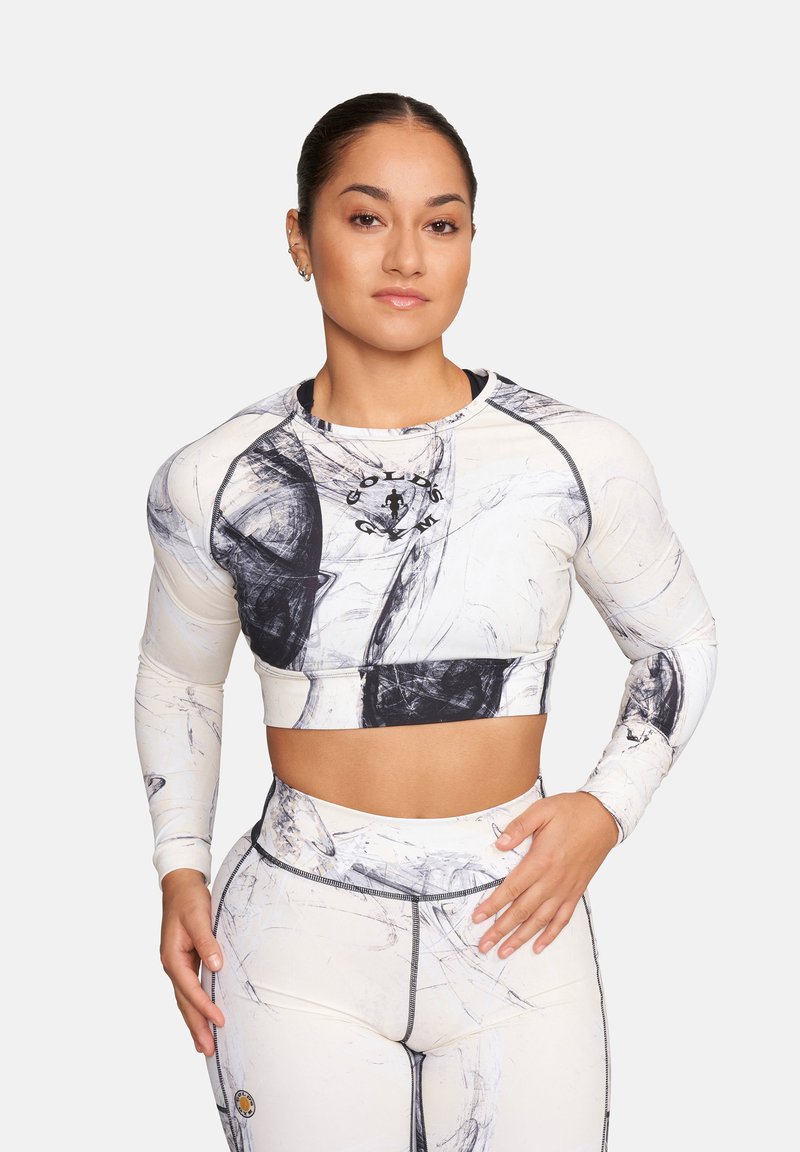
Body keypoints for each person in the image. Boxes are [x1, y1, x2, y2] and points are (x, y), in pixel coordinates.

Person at [134, 91, 717, 1152]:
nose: (406, 255)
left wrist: (606, 808)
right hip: (296, 933)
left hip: (517, 917)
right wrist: (179, 867)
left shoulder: (573, 455)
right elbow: (179, 677)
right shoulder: (214, 477)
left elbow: (677, 640)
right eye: (366, 217)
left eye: (439, 223)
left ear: (470, 243)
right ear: (299, 238)